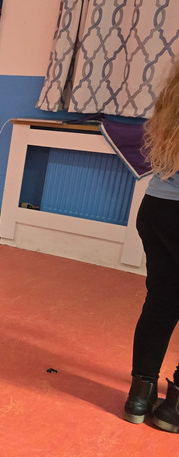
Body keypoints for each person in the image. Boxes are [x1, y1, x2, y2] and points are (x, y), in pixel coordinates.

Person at [123, 61, 179, 432]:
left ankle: (139, 397)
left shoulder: (173, 93)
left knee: (161, 300)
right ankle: (174, 410)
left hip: (158, 207)